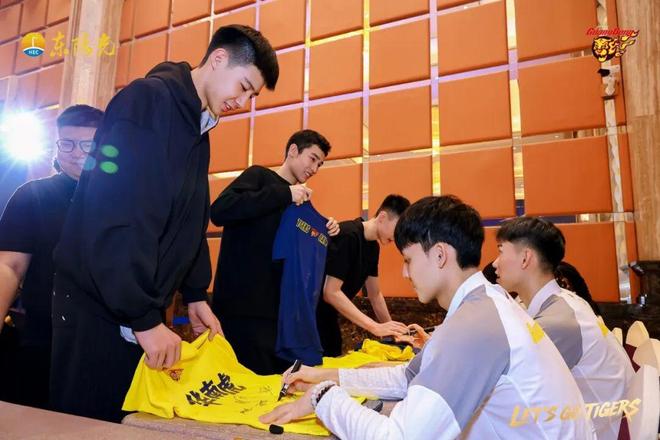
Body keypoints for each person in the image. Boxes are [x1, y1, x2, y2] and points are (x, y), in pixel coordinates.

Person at [50, 24, 278, 422]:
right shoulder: (147, 101)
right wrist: (142, 316)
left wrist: (195, 294)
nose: (242, 102)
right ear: (218, 59)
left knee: (129, 421)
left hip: (135, 306)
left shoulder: (198, 126)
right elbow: (116, 215)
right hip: (97, 306)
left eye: (251, 96)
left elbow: (190, 215)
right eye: (243, 87)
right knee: (88, 423)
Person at [260, 196, 593, 439]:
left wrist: (322, 396)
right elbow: (408, 377)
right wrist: (325, 375)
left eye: (408, 260)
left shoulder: (476, 325)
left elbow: (399, 437)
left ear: (439, 254)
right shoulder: (483, 305)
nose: (405, 273)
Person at [210, 129, 340, 375]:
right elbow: (219, 210)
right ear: (293, 150)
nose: (315, 169)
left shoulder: (300, 203)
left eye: (320, 164)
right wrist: (285, 193)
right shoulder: (259, 176)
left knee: (274, 387)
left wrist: (327, 230)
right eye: (313, 159)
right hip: (240, 309)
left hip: (278, 316)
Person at [493, 216, 633, 440]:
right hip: (599, 418)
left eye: (501, 251)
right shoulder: (563, 302)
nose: (495, 263)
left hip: (601, 429)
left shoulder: (558, 321)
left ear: (525, 258)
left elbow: (511, 387)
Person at [0, 105, 103, 408]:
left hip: (108, 340)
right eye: (67, 143)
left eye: (87, 144)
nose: (77, 152)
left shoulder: (126, 199)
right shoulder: (32, 195)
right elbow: (9, 266)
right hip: (43, 337)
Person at [316, 194, 410, 356]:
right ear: (382, 217)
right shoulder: (348, 235)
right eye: (398, 229)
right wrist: (375, 327)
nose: (398, 237)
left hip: (329, 319)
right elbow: (330, 292)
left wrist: (393, 332)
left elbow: (375, 294)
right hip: (309, 319)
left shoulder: (373, 247)